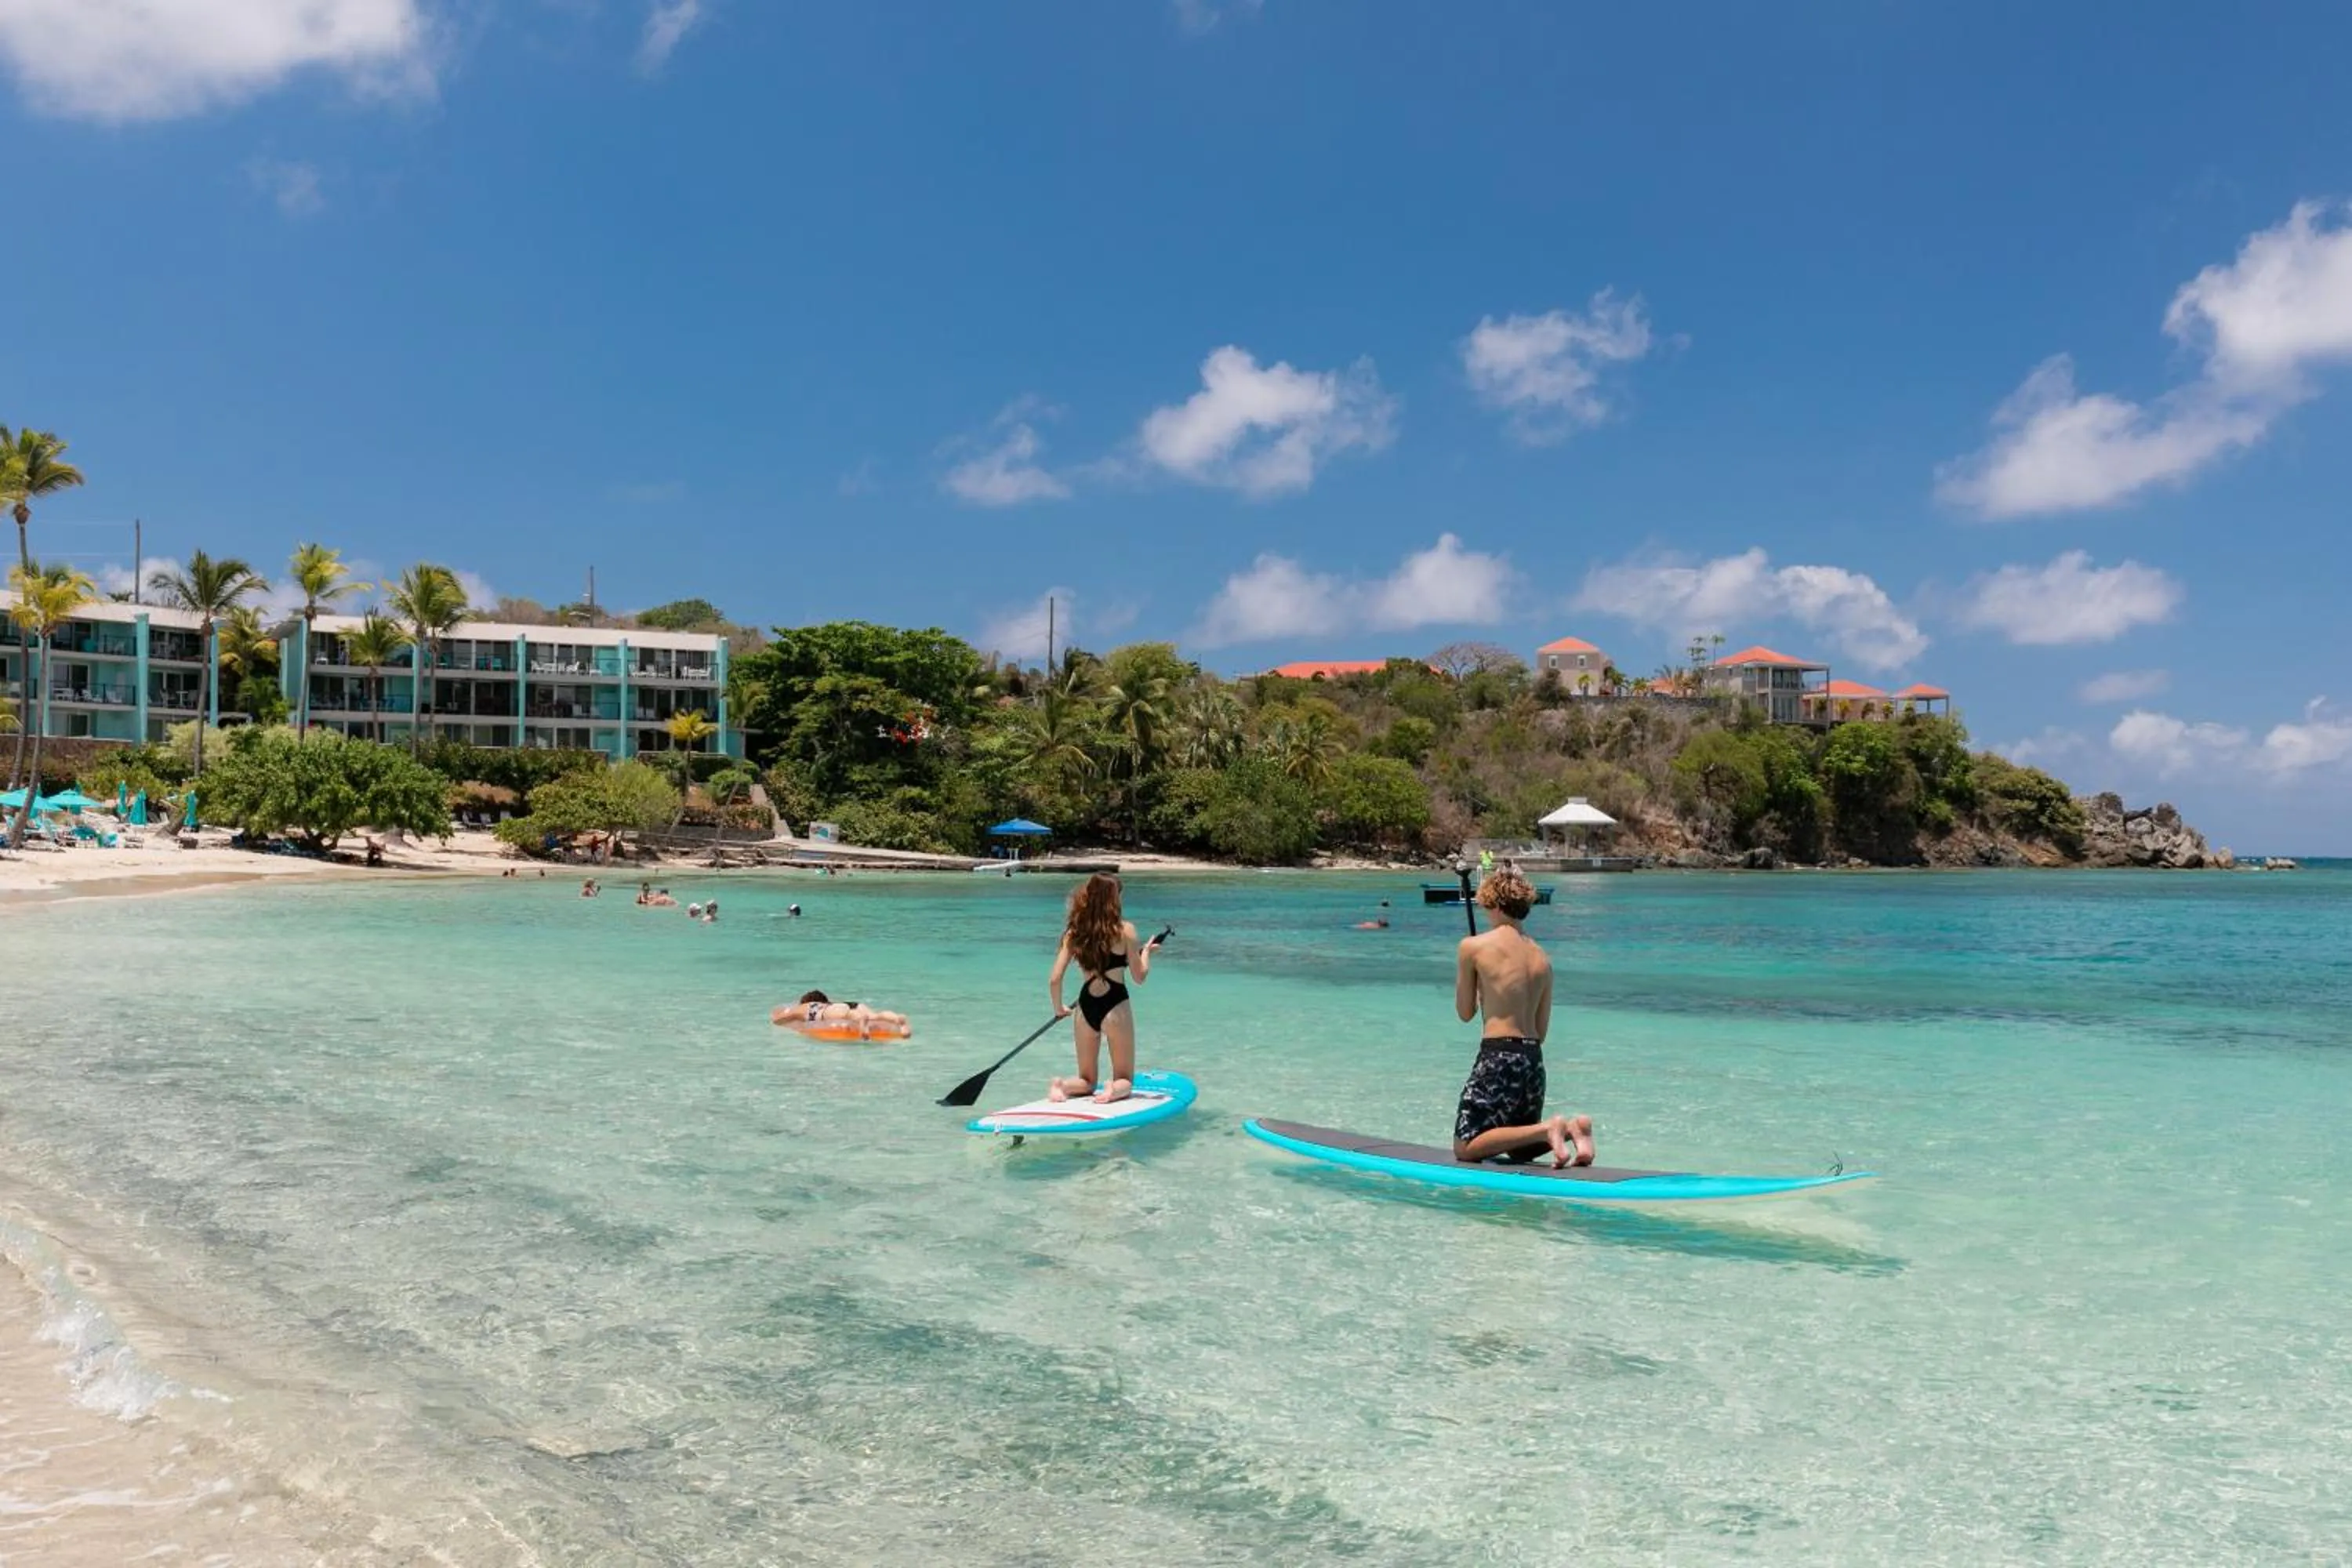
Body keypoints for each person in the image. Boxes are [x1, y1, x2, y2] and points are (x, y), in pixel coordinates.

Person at [1452, 866, 1593, 1167]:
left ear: (1491, 902)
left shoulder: (1473, 947)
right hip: (1532, 1059)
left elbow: (1465, 1013)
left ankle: (1549, 1128)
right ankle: (1572, 1129)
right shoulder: (1542, 958)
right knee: (1519, 1148)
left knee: (1466, 1146)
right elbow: (1540, 1031)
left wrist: (1481, 994)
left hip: (1498, 1056)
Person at [1046, 873, 1162, 1105]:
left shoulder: (1074, 933)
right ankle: (1112, 1089)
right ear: (1113, 900)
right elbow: (1139, 977)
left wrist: (1059, 1008)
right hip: (1115, 1004)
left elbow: (1055, 978)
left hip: (1085, 1005)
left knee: (1087, 1080)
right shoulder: (1125, 931)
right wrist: (1147, 953)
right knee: (1125, 1079)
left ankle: (1062, 1085)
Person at [772, 989, 909, 1036]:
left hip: (830, 1011)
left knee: (847, 1015)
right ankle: (897, 1019)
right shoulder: (827, 1002)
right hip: (850, 1003)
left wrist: (777, 1020)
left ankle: (862, 1021)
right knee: (875, 1016)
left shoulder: (802, 1008)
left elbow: (781, 1019)